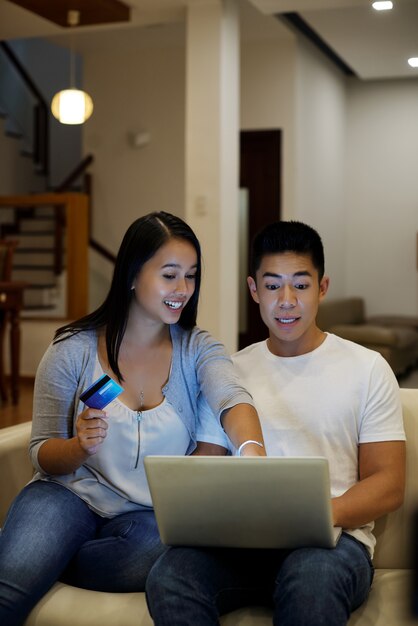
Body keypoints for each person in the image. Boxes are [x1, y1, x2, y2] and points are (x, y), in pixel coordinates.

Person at [0, 211, 265, 626]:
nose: (183, 290)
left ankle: (47, 556)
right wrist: (77, 447)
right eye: (170, 275)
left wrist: (251, 451)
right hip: (68, 495)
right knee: (8, 593)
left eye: (191, 276)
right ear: (132, 275)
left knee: (161, 552)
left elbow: (232, 397)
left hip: (146, 516)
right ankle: (31, 554)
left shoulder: (197, 349)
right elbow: (42, 453)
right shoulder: (73, 349)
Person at [146, 220, 406, 626]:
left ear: (322, 288)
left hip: (331, 545)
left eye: (300, 286)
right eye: (272, 286)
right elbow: (208, 461)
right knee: (171, 574)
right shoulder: (228, 371)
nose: (286, 301)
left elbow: (388, 483)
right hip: (241, 546)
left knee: (312, 576)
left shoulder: (367, 368)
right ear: (253, 290)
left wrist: (316, 513)